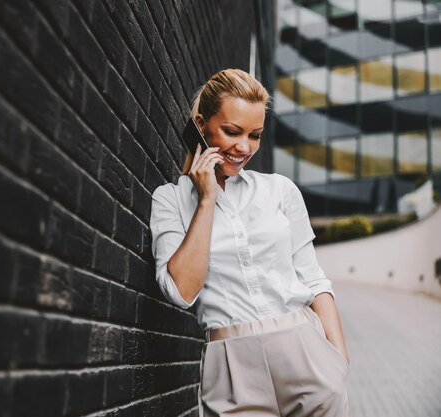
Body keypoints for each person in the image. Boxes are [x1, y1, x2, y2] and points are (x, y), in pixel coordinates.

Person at [149, 68, 351, 416]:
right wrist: (207, 200)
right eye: (231, 132)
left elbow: (314, 279)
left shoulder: (279, 190)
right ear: (200, 124)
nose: (244, 147)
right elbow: (181, 291)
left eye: (255, 135)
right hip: (231, 366)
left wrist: (338, 362)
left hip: (305, 349)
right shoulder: (169, 200)